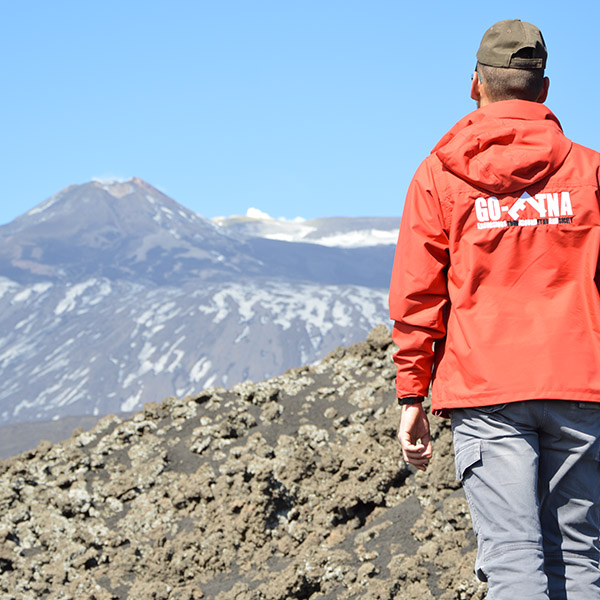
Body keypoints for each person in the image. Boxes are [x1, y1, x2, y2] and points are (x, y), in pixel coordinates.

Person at [389, 19, 600, 599]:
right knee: (579, 558)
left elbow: (417, 296)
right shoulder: (590, 173)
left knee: (512, 560)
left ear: (474, 85)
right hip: (579, 386)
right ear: (546, 89)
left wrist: (412, 396)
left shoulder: (438, 176)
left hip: (487, 391)